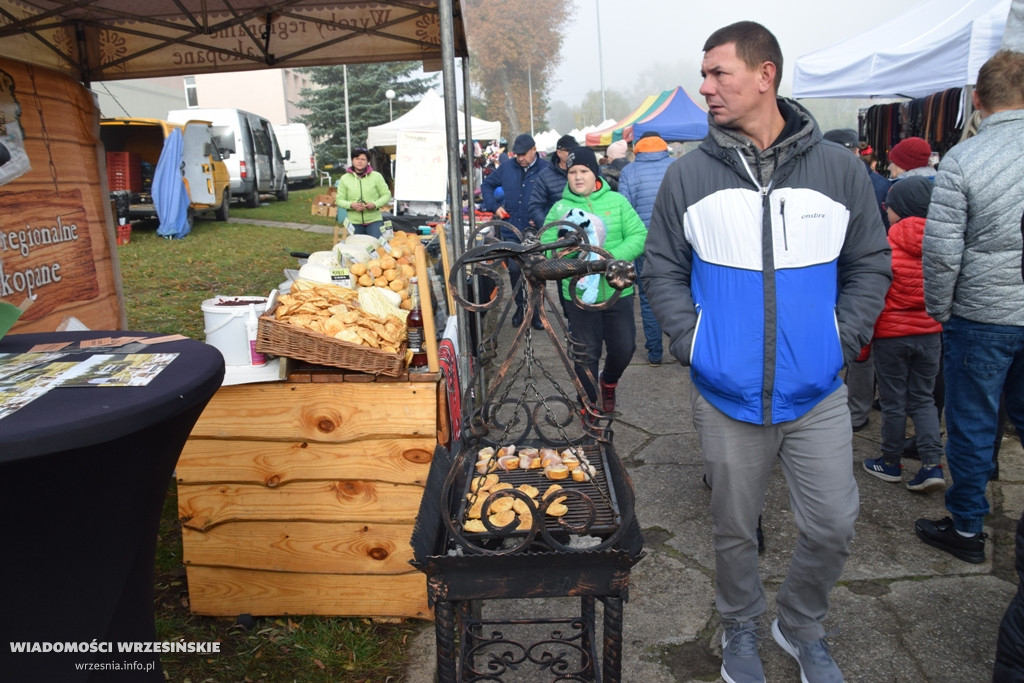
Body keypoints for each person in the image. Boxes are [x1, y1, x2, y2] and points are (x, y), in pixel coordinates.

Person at [642, 21, 891, 683]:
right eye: (704, 74)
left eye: (718, 72)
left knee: (835, 522)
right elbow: (660, 268)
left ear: (765, 75)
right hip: (727, 393)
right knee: (733, 529)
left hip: (817, 392)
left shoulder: (841, 170)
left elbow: (871, 263)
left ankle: (800, 622)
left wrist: (841, 339)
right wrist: (694, 342)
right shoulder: (686, 176)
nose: (705, 87)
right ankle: (740, 626)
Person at [915, 49, 1024, 565]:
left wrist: (939, 309)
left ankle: (966, 527)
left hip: (981, 314)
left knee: (973, 421)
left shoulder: (964, 159)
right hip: (997, 309)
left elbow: (941, 250)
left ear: (977, 99)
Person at [540, 146, 646, 413]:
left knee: (624, 348)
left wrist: (607, 259)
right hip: (577, 295)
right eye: (572, 172)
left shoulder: (618, 202)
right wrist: (572, 258)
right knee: (585, 354)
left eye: (584, 171)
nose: (577, 177)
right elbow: (546, 245)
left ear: (594, 173)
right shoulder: (561, 208)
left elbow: (639, 236)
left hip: (616, 291)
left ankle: (608, 382)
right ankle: (587, 405)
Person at [861, 176, 945, 492]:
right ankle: (932, 465)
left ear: (900, 210)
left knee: (894, 402)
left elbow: (875, 299)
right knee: (923, 399)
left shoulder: (886, 246)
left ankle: (891, 462)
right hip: (930, 334)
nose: (886, 210)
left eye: (889, 206)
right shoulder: (942, 246)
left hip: (891, 337)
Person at [824, 128, 880, 432]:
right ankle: (856, 409)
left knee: (857, 344)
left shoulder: (864, 184)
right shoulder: (879, 183)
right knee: (861, 346)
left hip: (847, 280)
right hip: (833, 281)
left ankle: (854, 410)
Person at [481, 133, 551, 329]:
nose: (520, 158)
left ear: (534, 150)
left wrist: (543, 215)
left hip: (535, 231)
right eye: (517, 154)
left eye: (523, 154)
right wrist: (494, 206)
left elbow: (555, 195)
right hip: (512, 228)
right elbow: (487, 185)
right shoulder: (507, 167)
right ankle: (521, 307)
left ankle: (537, 311)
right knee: (514, 270)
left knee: (538, 271)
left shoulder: (546, 169)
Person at [617, 131, 674, 366]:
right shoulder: (676, 166)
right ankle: (685, 346)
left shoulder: (629, 171)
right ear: (663, 145)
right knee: (679, 293)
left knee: (648, 297)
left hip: (643, 243)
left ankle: (654, 353)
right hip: (674, 242)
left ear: (637, 147)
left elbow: (624, 209)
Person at [529, 134, 579, 321]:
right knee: (564, 276)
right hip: (560, 241)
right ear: (559, 153)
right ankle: (570, 318)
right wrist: (551, 228)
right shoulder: (546, 177)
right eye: (569, 151)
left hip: (585, 236)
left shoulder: (580, 171)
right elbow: (535, 205)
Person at [335, 147, 392, 239]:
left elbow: (387, 195)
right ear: (352, 160)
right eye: (357, 159)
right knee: (357, 249)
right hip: (354, 222)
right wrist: (351, 205)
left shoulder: (376, 176)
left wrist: (375, 204)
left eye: (363, 159)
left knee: (376, 247)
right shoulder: (344, 179)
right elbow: (339, 200)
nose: (360, 161)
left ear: (367, 161)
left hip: (374, 221)